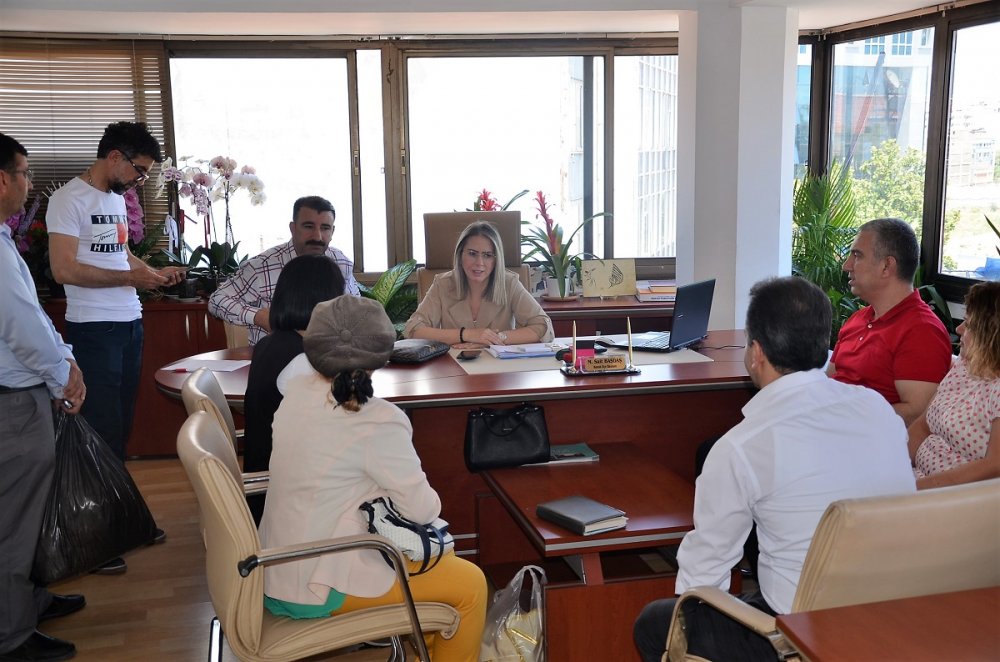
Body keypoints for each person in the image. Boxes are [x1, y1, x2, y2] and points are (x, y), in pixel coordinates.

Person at [633, 277, 916, 662]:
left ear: (756, 353)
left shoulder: (741, 446)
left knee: (656, 624)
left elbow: (701, 583)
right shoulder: (877, 408)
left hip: (801, 636)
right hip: (891, 615)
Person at [259, 296, 486, 662]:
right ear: (382, 356)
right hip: (318, 583)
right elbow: (423, 509)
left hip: (276, 568)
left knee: (442, 563)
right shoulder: (378, 419)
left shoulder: (295, 392)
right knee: (471, 586)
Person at [46, 121, 181, 574]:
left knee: (119, 430)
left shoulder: (116, 198)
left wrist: (151, 275)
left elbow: (120, 255)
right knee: (100, 433)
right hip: (94, 329)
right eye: (138, 170)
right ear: (115, 157)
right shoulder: (68, 200)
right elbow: (63, 269)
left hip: (129, 323)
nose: (140, 180)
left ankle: (124, 521)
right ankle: (96, 540)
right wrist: (131, 277)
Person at [1, 133, 87, 662]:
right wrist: (63, 376)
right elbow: (20, 329)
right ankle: (10, 635)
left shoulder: (3, 239)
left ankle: (27, 599)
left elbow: (30, 313)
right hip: (11, 402)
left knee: (26, 511)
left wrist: (64, 359)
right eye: (26, 173)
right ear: (2, 179)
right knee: (12, 520)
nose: (29, 184)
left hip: (22, 389)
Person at [243, 254, 346, 525]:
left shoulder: (269, 344)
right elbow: (335, 434)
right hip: (290, 501)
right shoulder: (303, 362)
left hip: (271, 480)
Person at [829, 217, 953, 426]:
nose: (846, 266)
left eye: (857, 255)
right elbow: (830, 382)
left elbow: (916, 413)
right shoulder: (858, 318)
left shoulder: (922, 330)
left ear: (887, 266)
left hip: (864, 437)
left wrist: (840, 417)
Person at [208, 195, 360, 346]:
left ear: (332, 231)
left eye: (325, 228)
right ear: (293, 228)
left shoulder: (341, 262)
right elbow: (217, 300)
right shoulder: (261, 266)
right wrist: (259, 316)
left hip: (329, 355)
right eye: (309, 227)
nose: (317, 236)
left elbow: (355, 307)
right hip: (274, 354)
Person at [908, 281, 1000, 489]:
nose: (958, 329)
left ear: (991, 335)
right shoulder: (965, 365)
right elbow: (923, 425)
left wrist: (911, 489)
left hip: (950, 499)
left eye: (968, 324)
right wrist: (889, 464)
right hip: (915, 480)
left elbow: (995, 467)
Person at [404, 220, 553, 345]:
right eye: (472, 254)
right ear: (460, 255)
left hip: (498, 366)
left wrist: (498, 338)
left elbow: (543, 326)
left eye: (487, 255)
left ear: (496, 260)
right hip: (454, 365)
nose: (479, 263)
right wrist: (467, 335)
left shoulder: (509, 284)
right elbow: (413, 330)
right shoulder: (443, 284)